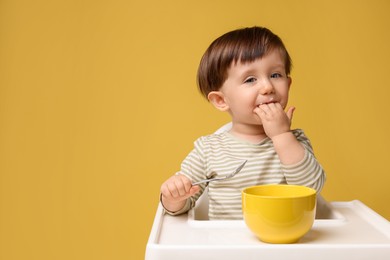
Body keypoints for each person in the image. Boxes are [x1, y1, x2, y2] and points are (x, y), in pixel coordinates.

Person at [160, 26, 326, 220]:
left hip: (284, 246)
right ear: (221, 100)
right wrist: (173, 196)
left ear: (288, 84)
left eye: (275, 75)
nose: (267, 87)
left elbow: (311, 189)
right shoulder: (209, 149)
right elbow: (182, 205)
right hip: (227, 247)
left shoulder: (294, 141)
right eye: (250, 79)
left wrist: (281, 136)